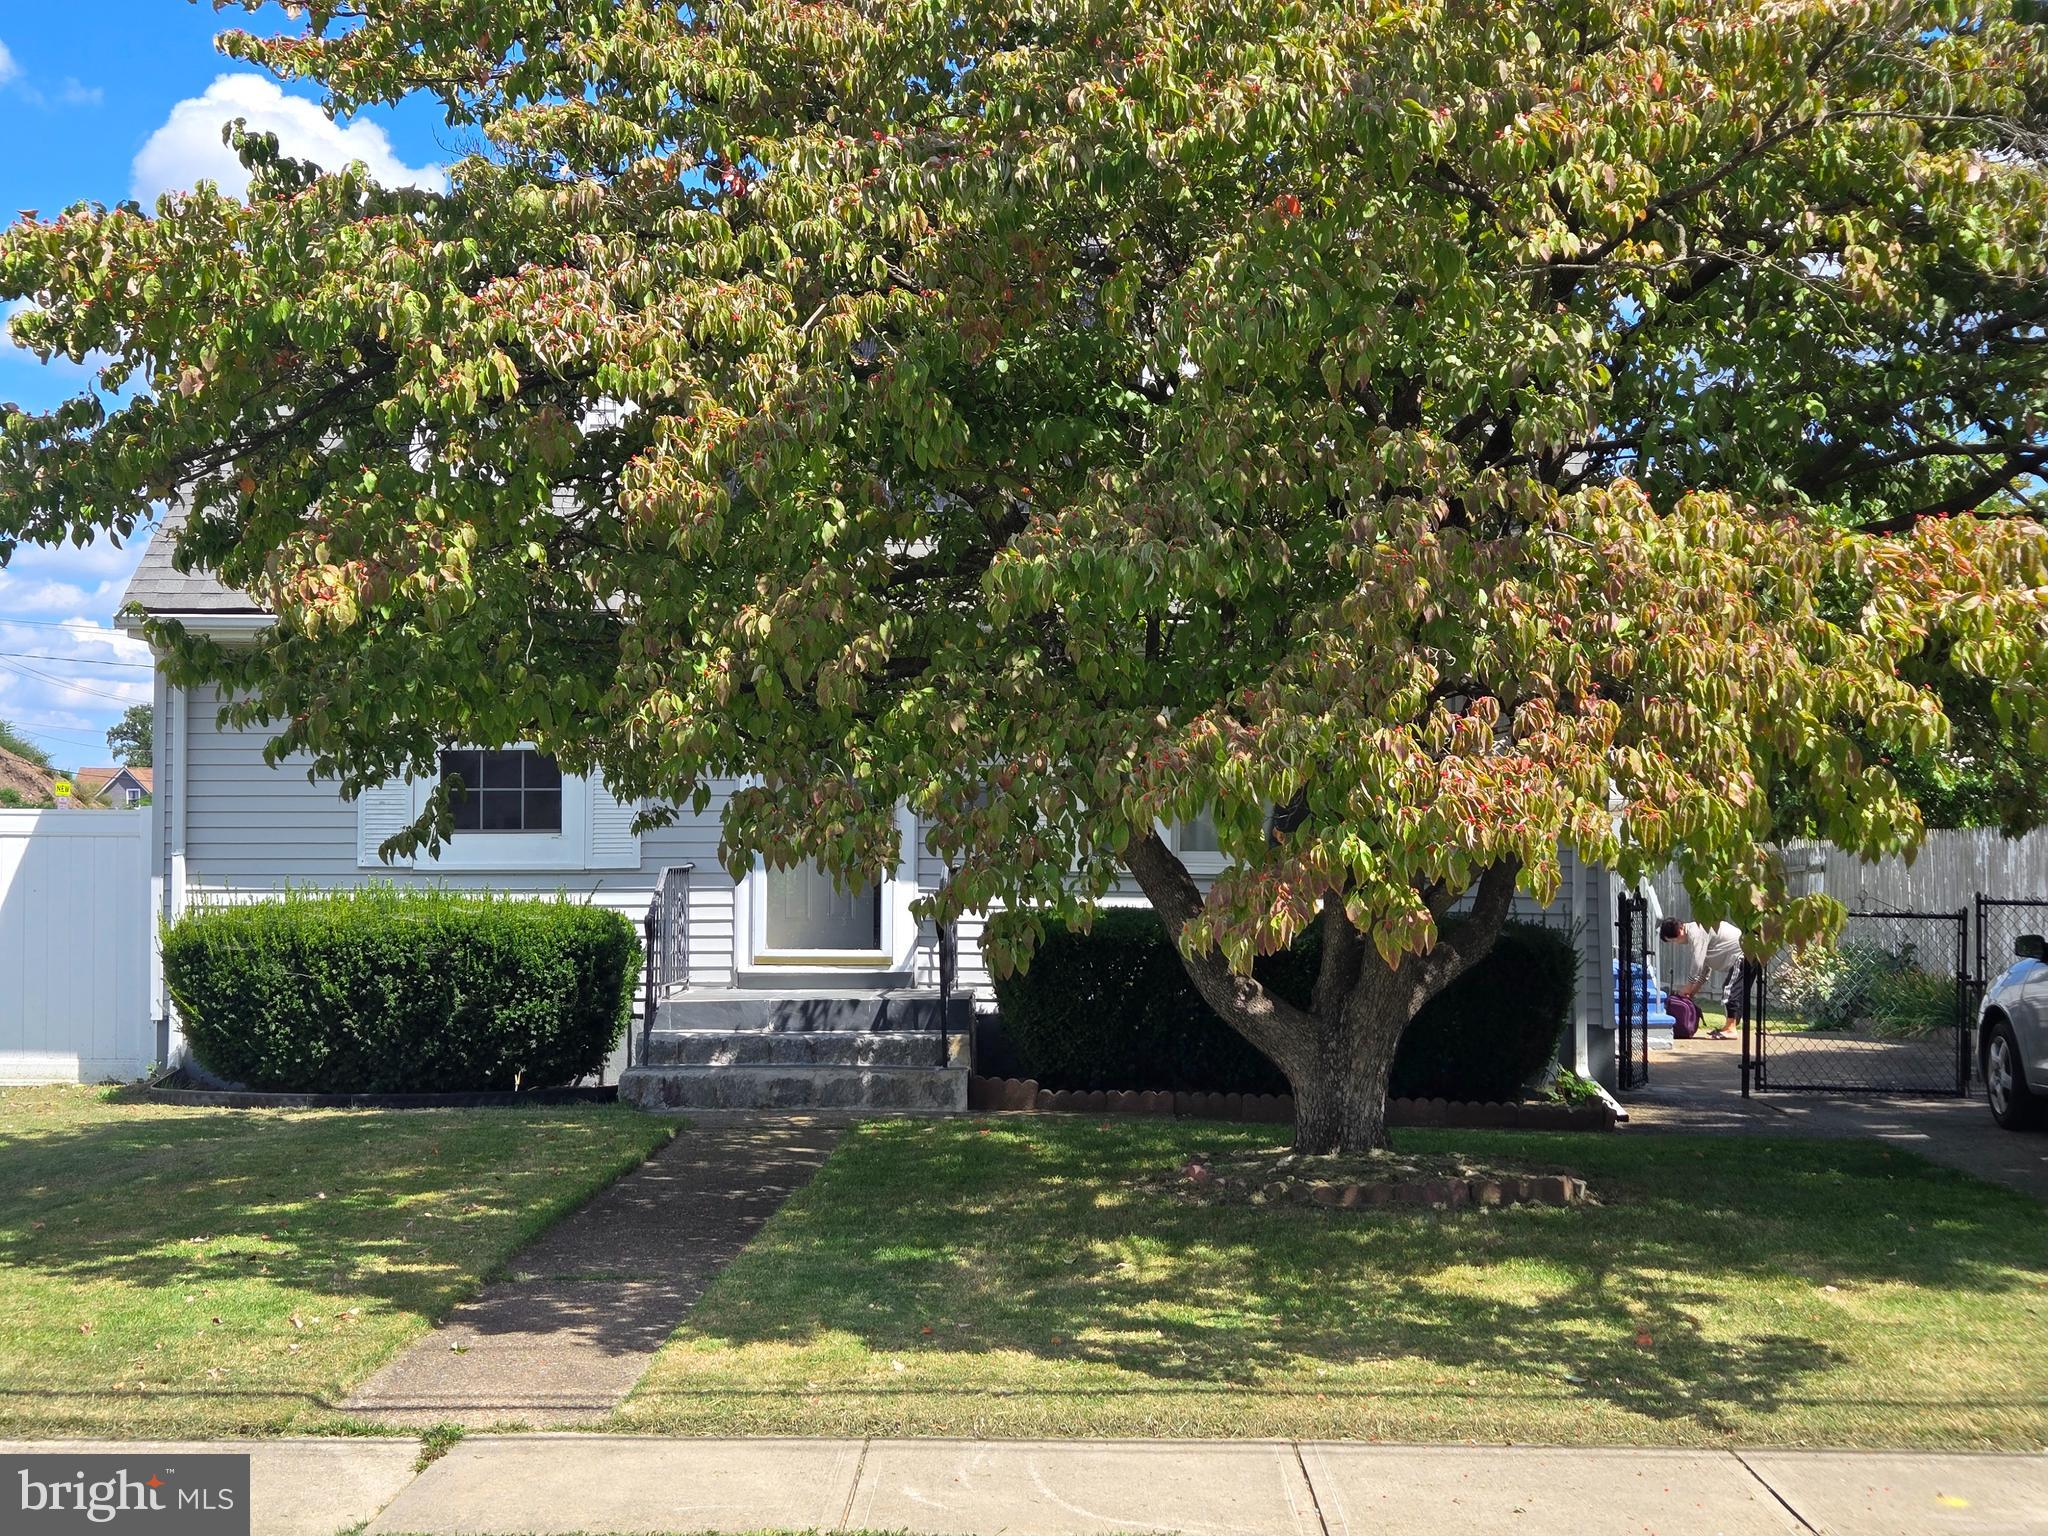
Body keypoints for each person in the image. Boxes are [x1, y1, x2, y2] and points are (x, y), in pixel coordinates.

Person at [1659, 918, 1758, 1039]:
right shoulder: (1697, 934)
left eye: (1673, 941)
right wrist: (1692, 992)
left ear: (1679, 931)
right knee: (1735, 990)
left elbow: (1697, 963)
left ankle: (1731, 1029)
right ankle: (1729, 1027)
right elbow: (1705, 970)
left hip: (1743, 954)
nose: (1676, 944)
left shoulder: (1696, 931)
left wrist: (1688, 986)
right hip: (1748, 954)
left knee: (1730, 990)